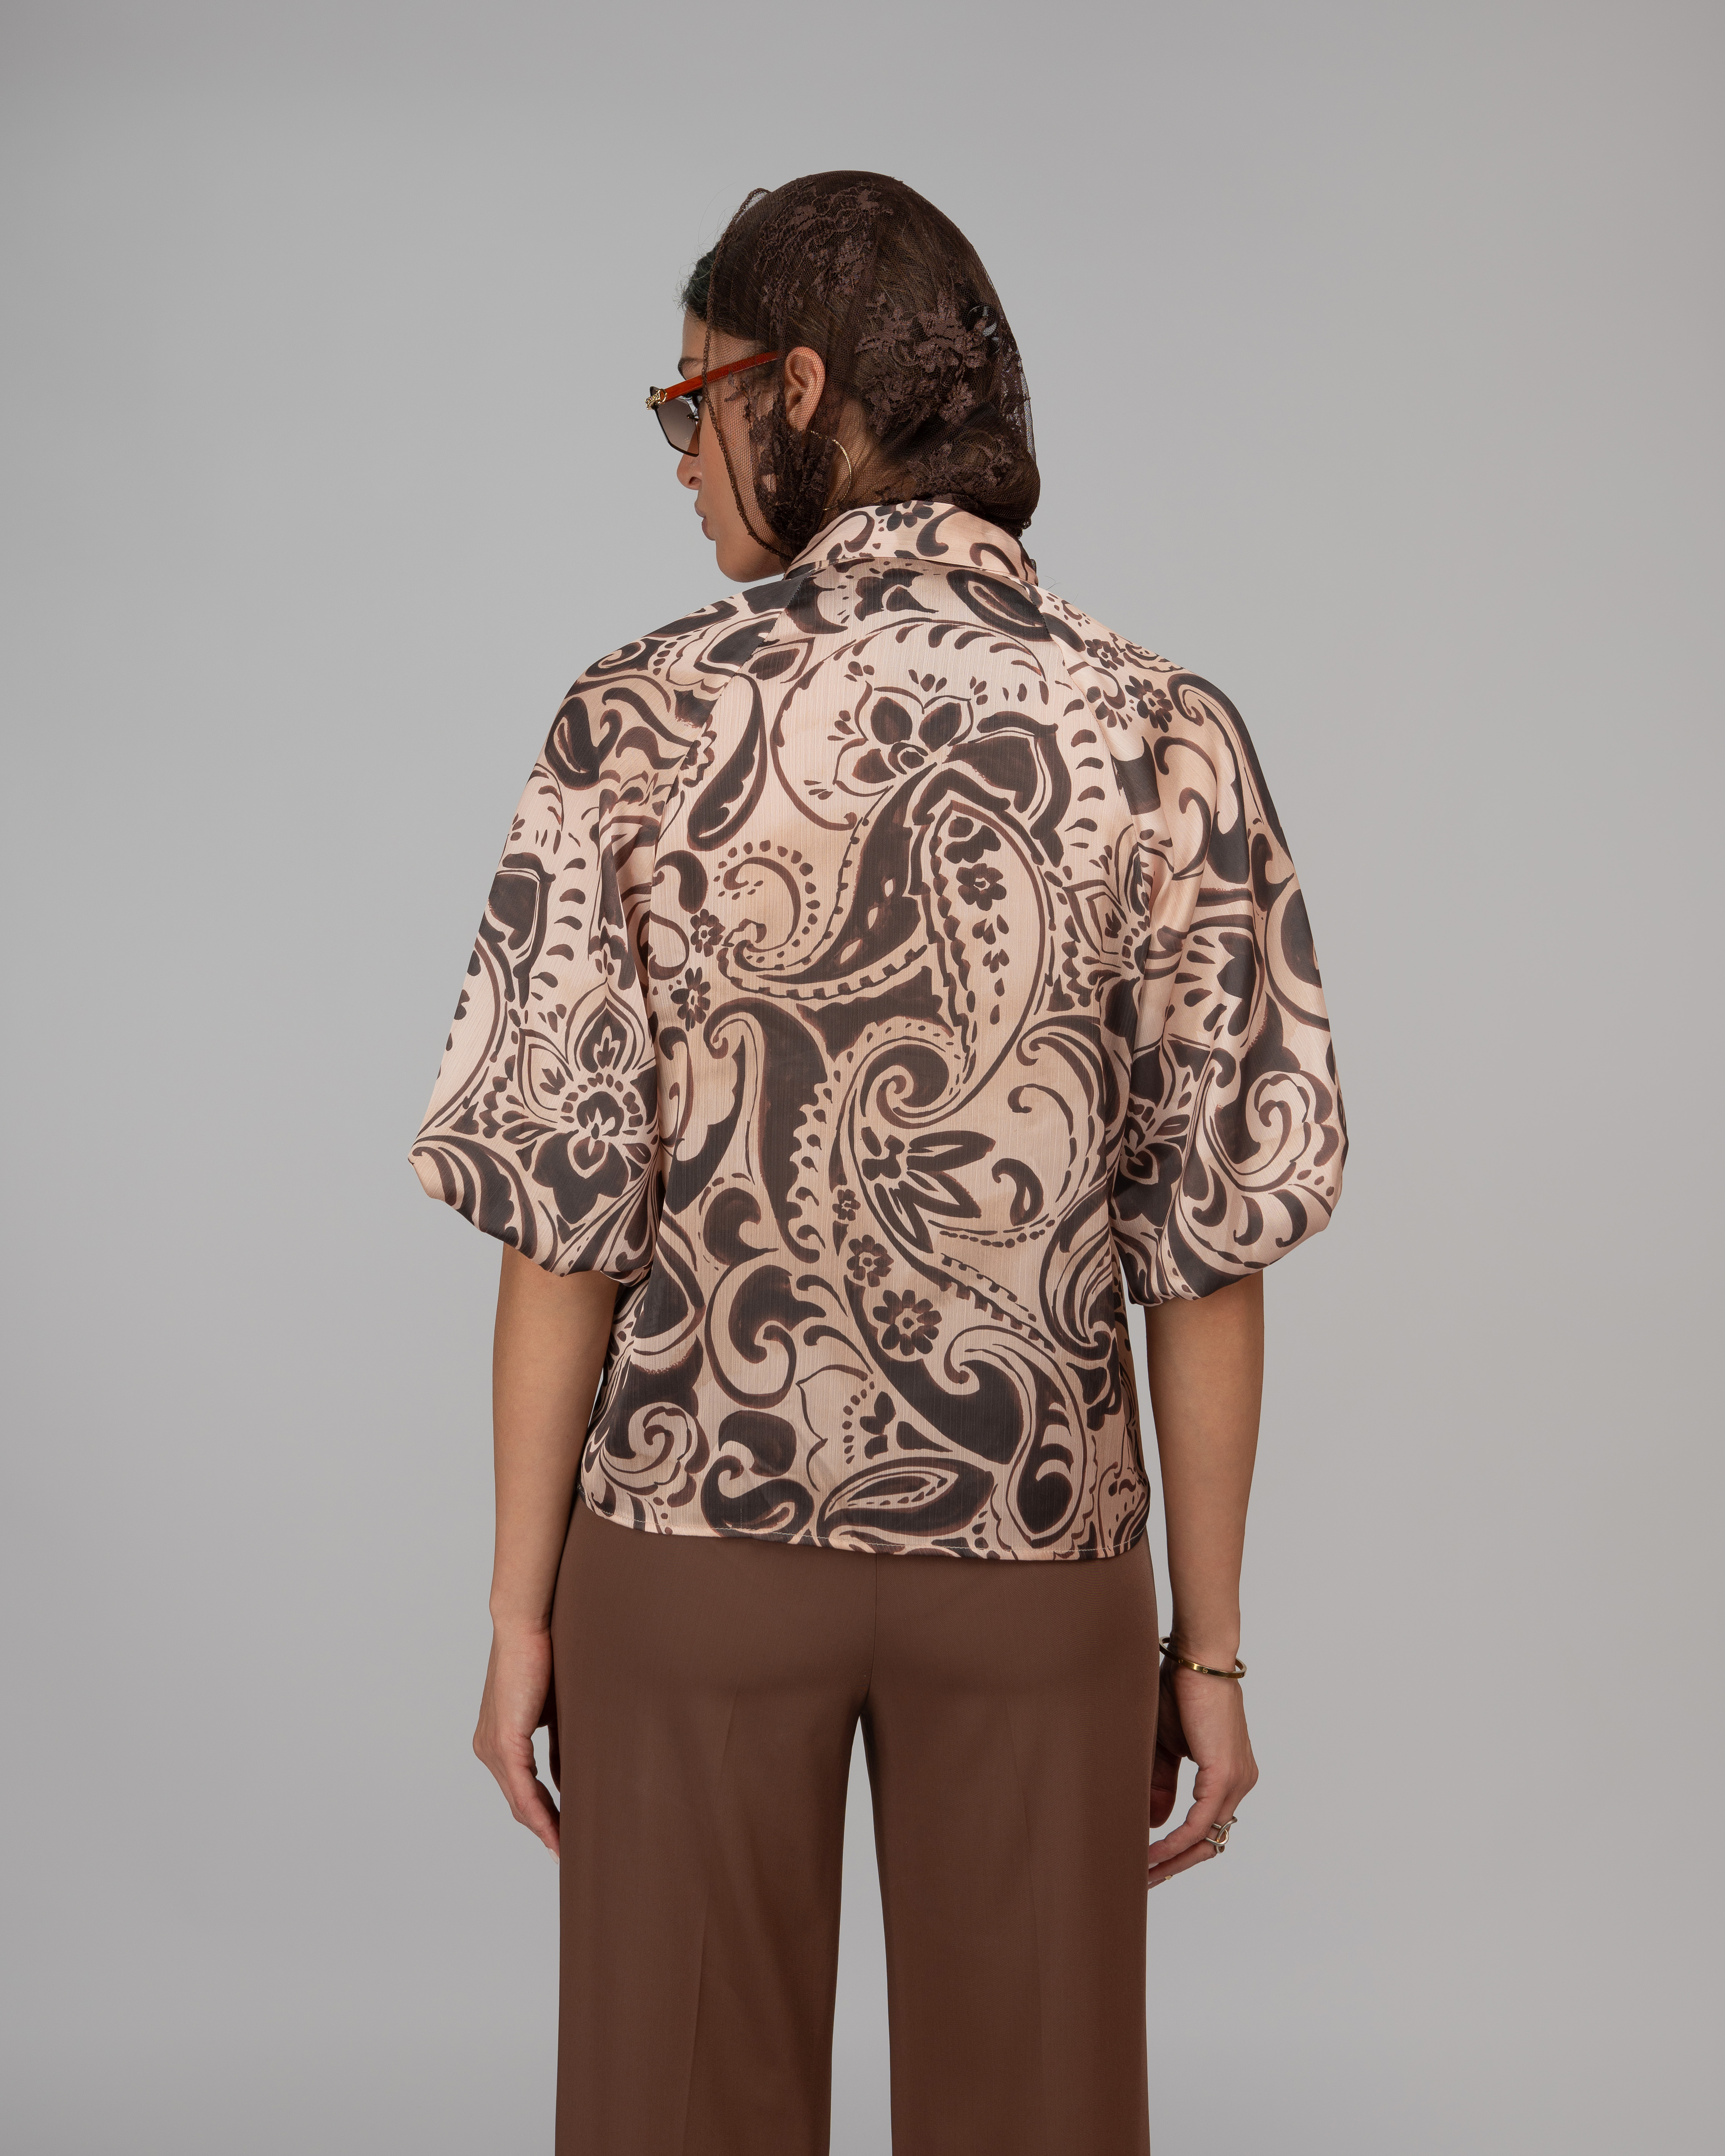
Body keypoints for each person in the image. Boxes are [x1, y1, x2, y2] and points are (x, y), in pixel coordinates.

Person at [410, 171, 1345, 2156]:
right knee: (1040, 2119)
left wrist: (519, 1612)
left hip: (691, 1533)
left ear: (803, 388)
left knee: (674, 2113)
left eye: (691, 405)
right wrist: (1210, 1644)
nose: (679, 461)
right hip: (1038, 1548)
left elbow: (565, 1212)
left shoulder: (634, 722)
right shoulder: (1166, 733)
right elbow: (1212, 1236)